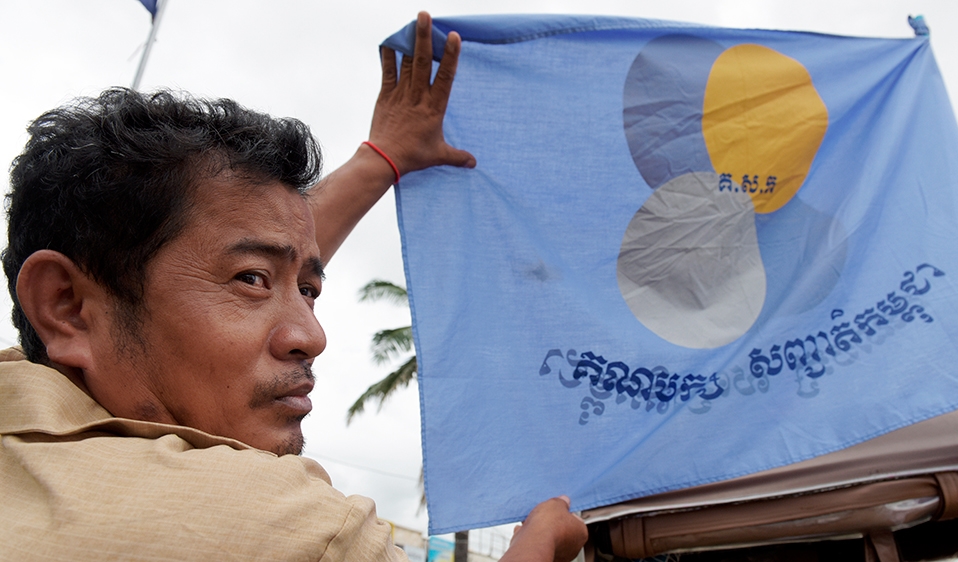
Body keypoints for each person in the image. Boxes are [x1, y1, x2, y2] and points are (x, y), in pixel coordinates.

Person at [0, 11, 587, 562]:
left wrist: (381, 158)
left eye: (308, 290)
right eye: (252, 280)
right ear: (66, 306)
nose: (312, 336)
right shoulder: (287, 526)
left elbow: (216, 259)